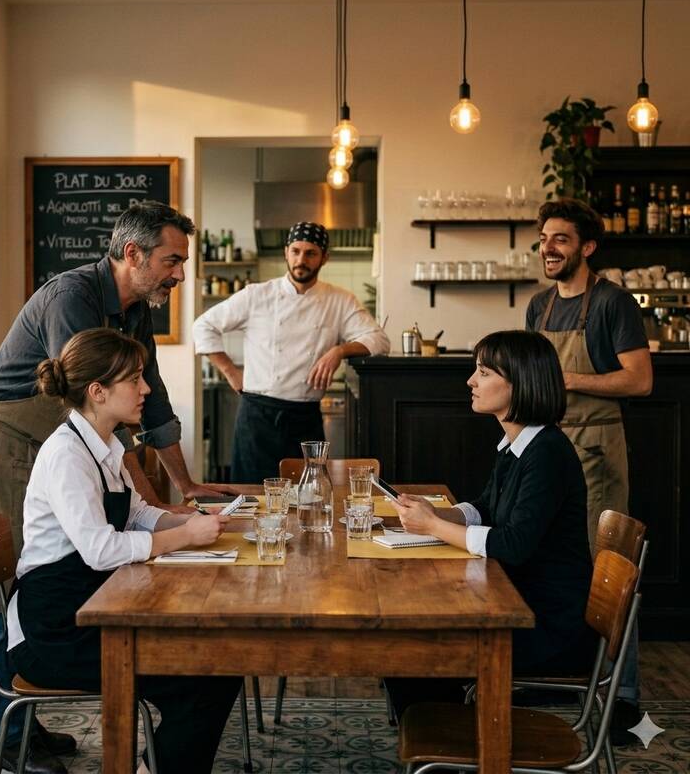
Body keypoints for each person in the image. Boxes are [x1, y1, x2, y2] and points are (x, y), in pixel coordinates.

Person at [0, 203, 230, 772]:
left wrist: (184, 490)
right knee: (2, 592)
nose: (180, 274)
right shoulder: (71, 299)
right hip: (6, 438)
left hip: (63, 437)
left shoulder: (136, 311)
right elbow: (94, 401)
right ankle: (8, 728)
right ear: (133, 254)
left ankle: (16, 720)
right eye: (172, 260)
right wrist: (164, 518)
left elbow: (151, 399)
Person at [7, 327, 240, 774]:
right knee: (207, 676)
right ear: (98, 391)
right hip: (53, 629)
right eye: (134, 379)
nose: (146, 388)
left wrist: (192, 520)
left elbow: (137, 514)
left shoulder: (106, 445)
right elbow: (99, 550)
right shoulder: (66, 455)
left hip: (95, 606)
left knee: (217, 663)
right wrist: (185, 537)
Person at [384, 330, 597, 720]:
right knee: (406, 644)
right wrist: (437, 514)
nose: (471, 381)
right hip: (516, 603)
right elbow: (485, 507)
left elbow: (513, 544)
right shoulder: (518, 444)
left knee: (408, 650)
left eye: (483, 372)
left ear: (520, 383)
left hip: (546, 625)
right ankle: (443, 735)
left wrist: (432, 527)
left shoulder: (547, 454)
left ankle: (453, 744)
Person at [525, 197, 651, 739]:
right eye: (544, 239)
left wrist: (569, 380)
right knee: (548, 557)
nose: (548, 249)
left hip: (596, 447)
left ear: (588, 247)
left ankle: (625, 696)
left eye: (561, 239)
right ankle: (560, 677)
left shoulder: (612, 303)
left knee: (608, 569)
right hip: (548, 444)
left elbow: (639, 380)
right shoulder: (538, 306)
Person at [192, 221, 390, 483]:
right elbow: (203, 326)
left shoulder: (339, 300)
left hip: (305, 419)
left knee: (309, 496)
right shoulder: (257, 295)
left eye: (311, 253)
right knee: (253, 497)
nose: (301, 260)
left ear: (324, 258)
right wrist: (230, 371)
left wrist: (339, 351)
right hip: (257, 417)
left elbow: (379, 340)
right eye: (296, 251)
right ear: (286, 252)